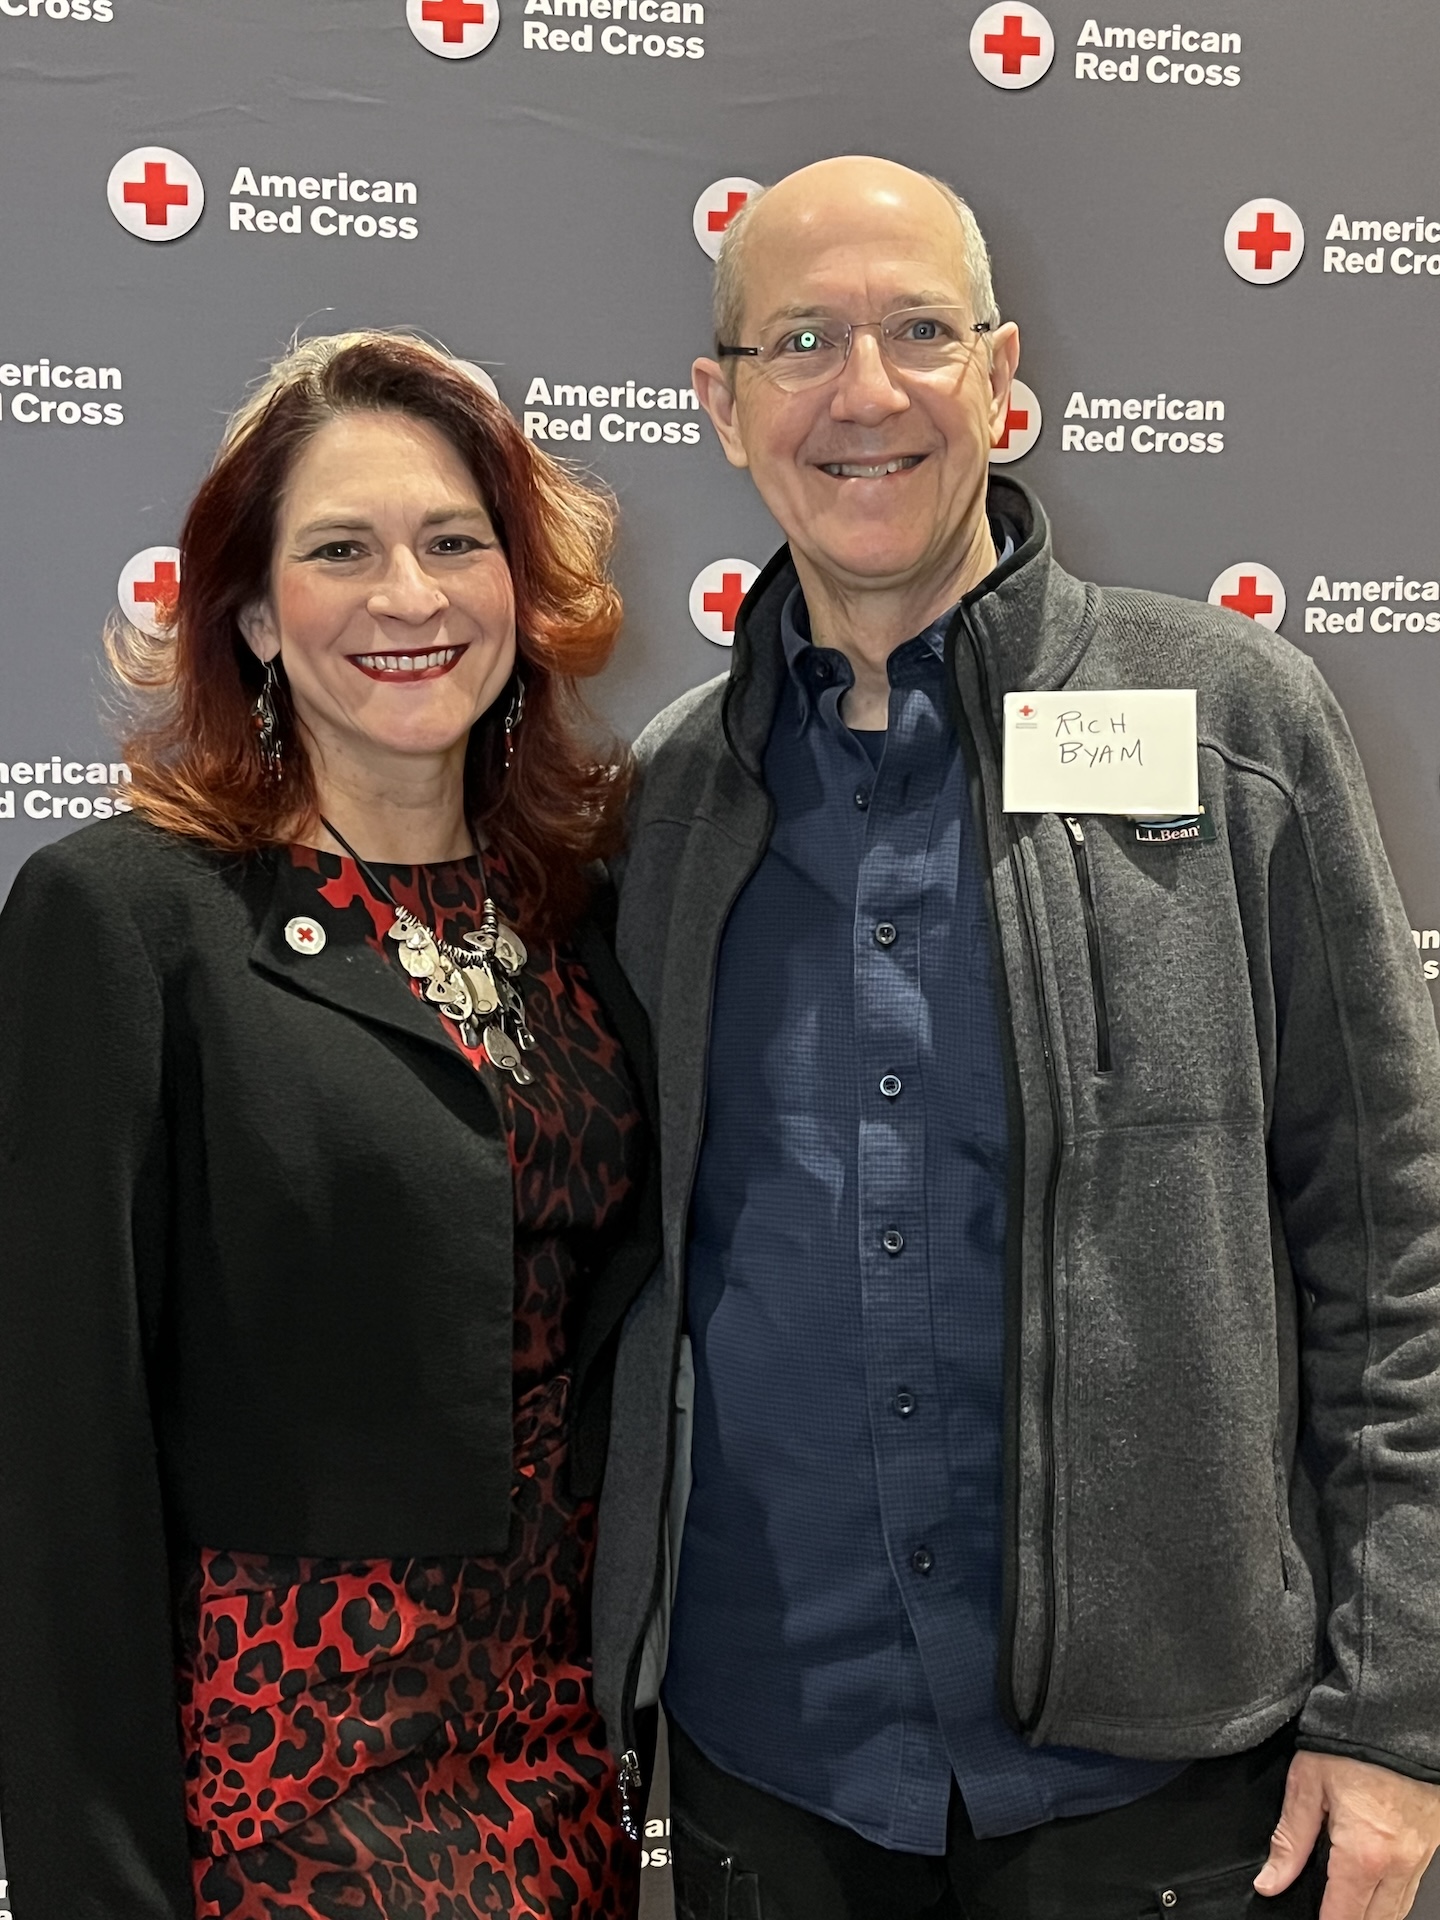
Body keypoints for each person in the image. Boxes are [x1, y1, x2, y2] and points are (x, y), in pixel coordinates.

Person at [591, 157, 1440, 1920]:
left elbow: (1391, 1246)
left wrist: (1399, 1709)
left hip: (1171, 1785)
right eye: (802, 340)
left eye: (918, 331)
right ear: (722, 405)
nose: (866, 390)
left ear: (1001, 372)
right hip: (775, 1766)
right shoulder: (670, 796)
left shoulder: (1228, 725)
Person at [0, 330, 659, 1920]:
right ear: (247, 611)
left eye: (455, 543)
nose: (409, 599)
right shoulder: (127, 919)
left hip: (553, 1769)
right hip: (282, 1797)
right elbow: (54, 1452)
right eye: (339, 552)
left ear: (524, 585)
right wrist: (97, 1874)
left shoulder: (584, 920)